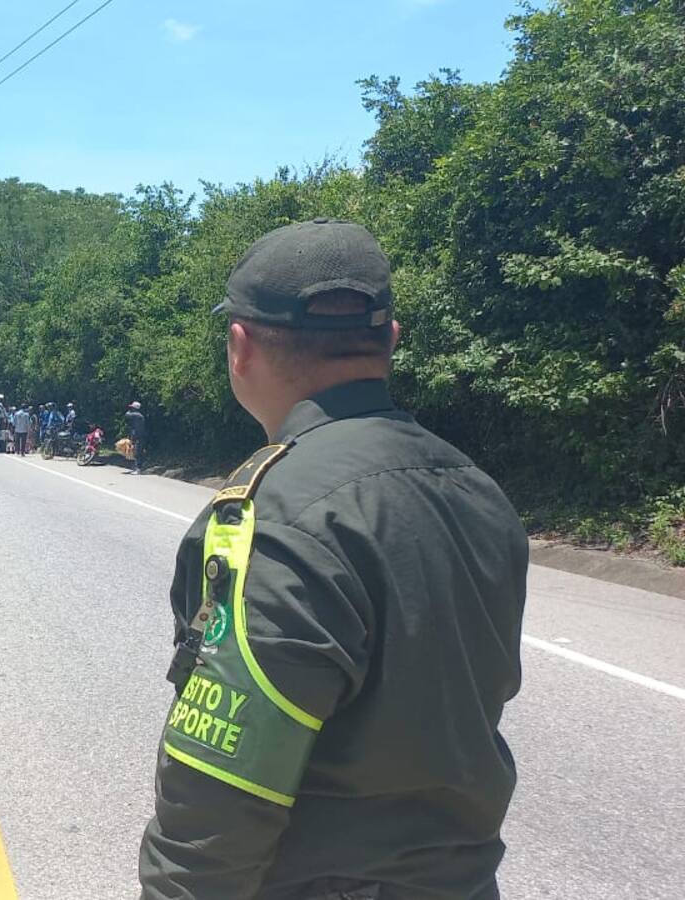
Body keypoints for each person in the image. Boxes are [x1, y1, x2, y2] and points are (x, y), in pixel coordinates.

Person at [139, 220, 529, 900]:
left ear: (239, 346)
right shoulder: (478, 490)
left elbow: (221, 793)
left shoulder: (269, 514)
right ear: (392, 340)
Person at [124, 402, 147, 473]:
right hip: (139, 435)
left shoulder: (136, 415)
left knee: (137, 452)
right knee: (136, 452)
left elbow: (126, 415)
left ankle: (138, 469)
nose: (130, 408)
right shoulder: (139, 415)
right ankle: (137, 468)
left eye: (132, 407)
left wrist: (128, 410)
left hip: (139, 436)